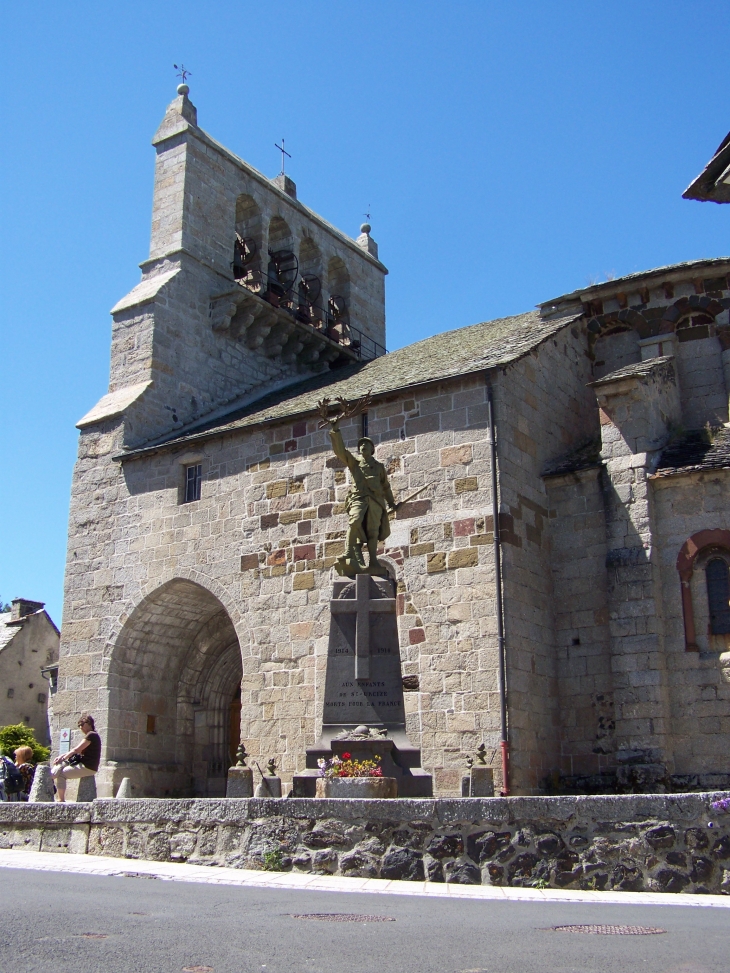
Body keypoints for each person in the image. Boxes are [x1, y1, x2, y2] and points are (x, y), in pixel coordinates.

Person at [325, 417, 397, 576]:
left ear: (372, 449)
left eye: (366, 444)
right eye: (361, 444)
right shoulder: (355, 463)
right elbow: (340, 451)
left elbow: (385, 486)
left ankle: (373, 560)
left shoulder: (378, 467)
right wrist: (336, 431)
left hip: (376, 502)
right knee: (354, 521)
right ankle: (349, 552)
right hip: (359, 499)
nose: (362, 446)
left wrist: (391, 502)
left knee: (373, 533)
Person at [51, 715, 101, 802]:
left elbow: (76, 749)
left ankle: (61, 799)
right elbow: (75, 750)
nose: (81, 727)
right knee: (62, 766)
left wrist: (62, 758)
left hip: (87, 767)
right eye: (79, 726)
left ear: (89, 724)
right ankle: (51, 777)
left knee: (61, 774)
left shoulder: (91, 735)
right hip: (87, 766)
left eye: (82, 724)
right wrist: (61, 757)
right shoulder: (92, 735)